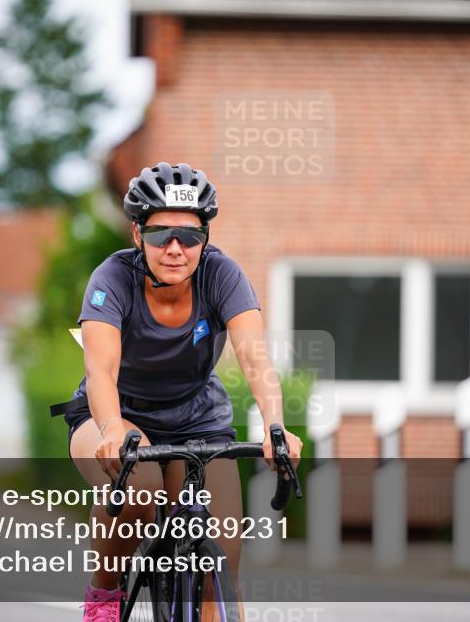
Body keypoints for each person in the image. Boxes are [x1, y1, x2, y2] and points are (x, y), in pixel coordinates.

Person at [51, 162, 302, 622]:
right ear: (136, 234)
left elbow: (254, 358)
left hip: (196, 422)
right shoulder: (111, 279)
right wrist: (109, 428)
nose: (174, 248)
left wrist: (275, 426)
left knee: (220, 567)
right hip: (113, 415)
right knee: (139, 487)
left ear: (204, 239)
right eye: (159, 234)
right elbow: (101, 370)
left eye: (188, 237)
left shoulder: (222, 274)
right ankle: (103, 596)